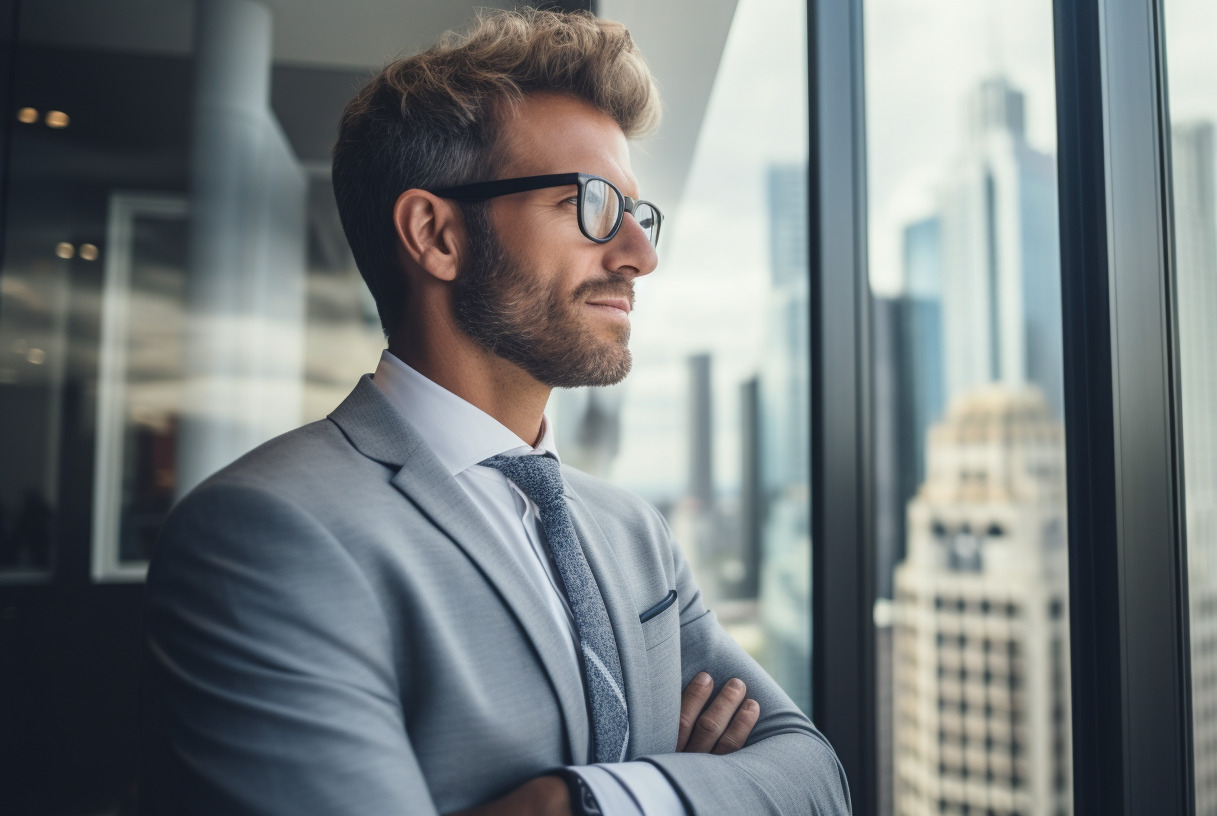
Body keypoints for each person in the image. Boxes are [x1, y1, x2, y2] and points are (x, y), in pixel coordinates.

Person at [142, 8, 850, 816]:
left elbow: (815, 775)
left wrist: (574, 801)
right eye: (589, 203)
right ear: (436, 234)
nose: (640, 255)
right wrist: (693, 786)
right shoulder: (263, 534)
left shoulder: (634, 533)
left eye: (636, 212)